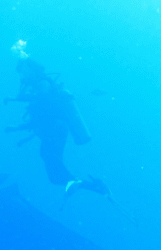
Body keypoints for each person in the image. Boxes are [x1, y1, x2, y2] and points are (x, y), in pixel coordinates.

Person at [8, 43, 107, 197]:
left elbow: (45, 103)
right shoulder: (37, 87)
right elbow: (40, 117)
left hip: (55, 130)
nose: (21, 76)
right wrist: (17, 127)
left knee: (53, 161)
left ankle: (86, 184)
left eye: (23, 72)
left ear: (31, 70)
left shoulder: (43, 84)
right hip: (51, 131)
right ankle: (87, 185)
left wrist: (17, 99)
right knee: (53, 174)